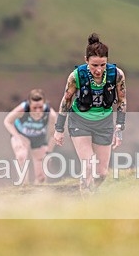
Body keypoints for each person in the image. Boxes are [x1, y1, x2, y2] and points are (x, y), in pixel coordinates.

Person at [53, 33, 127, 192]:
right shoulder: (76, 76)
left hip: (104, 122)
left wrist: (119, 128)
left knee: (102, 173)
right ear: (86, 60)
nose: (98, 70)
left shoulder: (117, 75)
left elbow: (122, 100)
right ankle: (85, 202)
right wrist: (59, 129)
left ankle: (90, 191)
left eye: (102, 65)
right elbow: (66, 100)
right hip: (80, 120)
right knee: (88, 164)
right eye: (94, 65)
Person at [3, 89, 57, 185]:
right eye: (34, 107)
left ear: (44, 103)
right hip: (21, 135)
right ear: (29, 104)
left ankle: (37, 194)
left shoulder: (50, 114)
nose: (37, 110)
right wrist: (17, 137)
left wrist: (49, 151)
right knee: (21, 155)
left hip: (39, 138)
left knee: (41, 176)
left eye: (40, 107)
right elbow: (7, 121)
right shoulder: (23, 109)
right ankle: (24, 186)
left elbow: (54, 133)